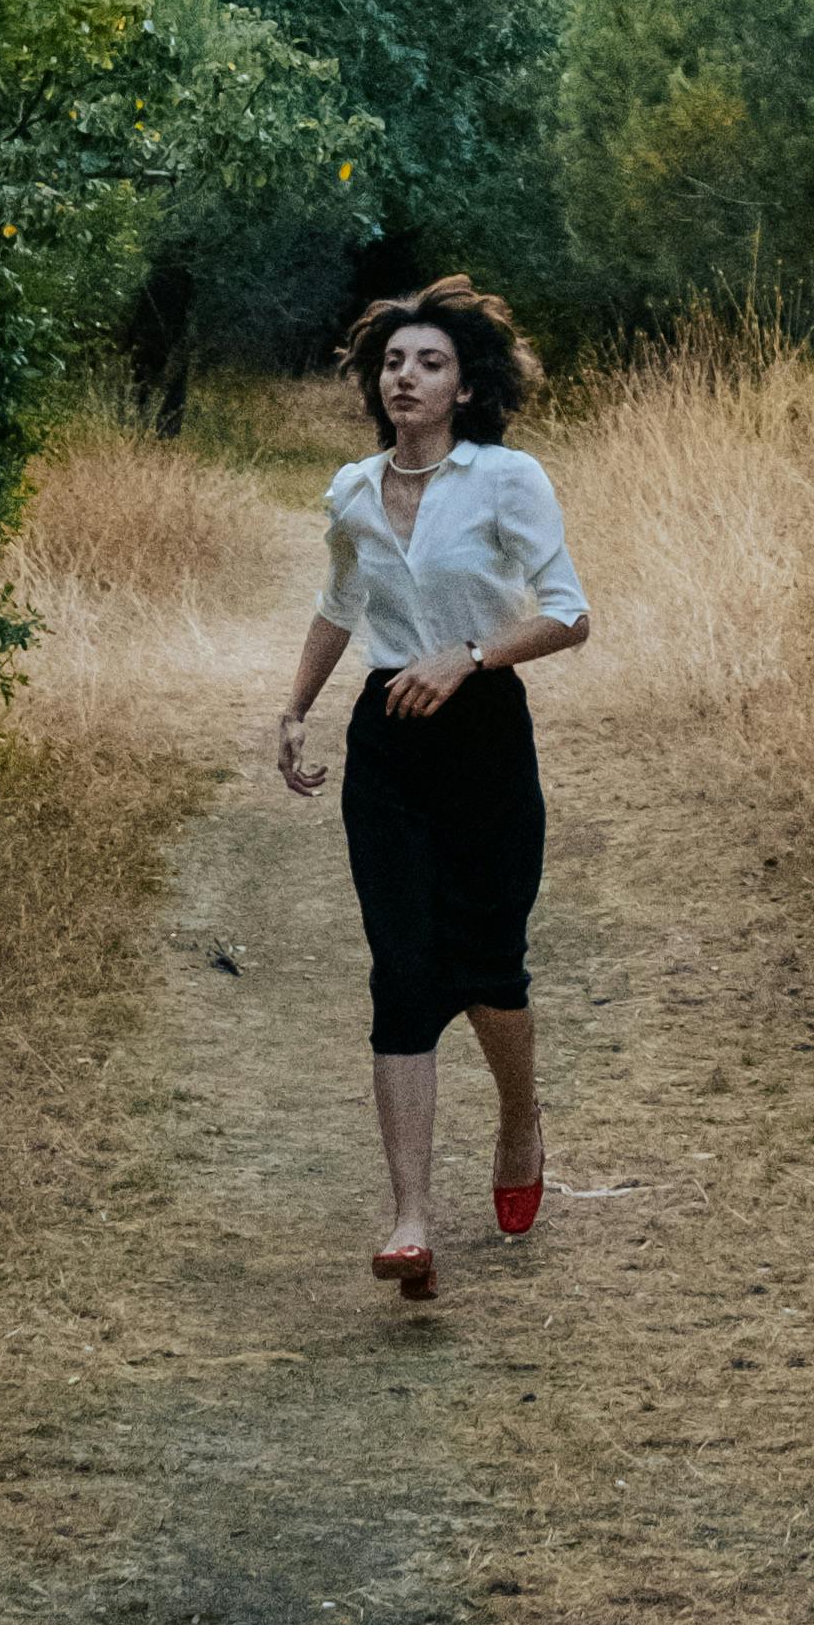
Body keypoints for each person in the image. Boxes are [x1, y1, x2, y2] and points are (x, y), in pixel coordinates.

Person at [271, 274, 590, 1300]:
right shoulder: (352, 489)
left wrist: (465, 655)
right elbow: (338, 602)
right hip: (388, 740)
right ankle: (408, 1217)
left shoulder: (506, 479)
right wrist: (295, 707)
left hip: (484, 731)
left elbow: (568, 614)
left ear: (463, 385)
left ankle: (519, 1115)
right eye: (393, 362)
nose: (404, 378)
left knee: (490, 963)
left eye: (429, 363)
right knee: (402, 971)